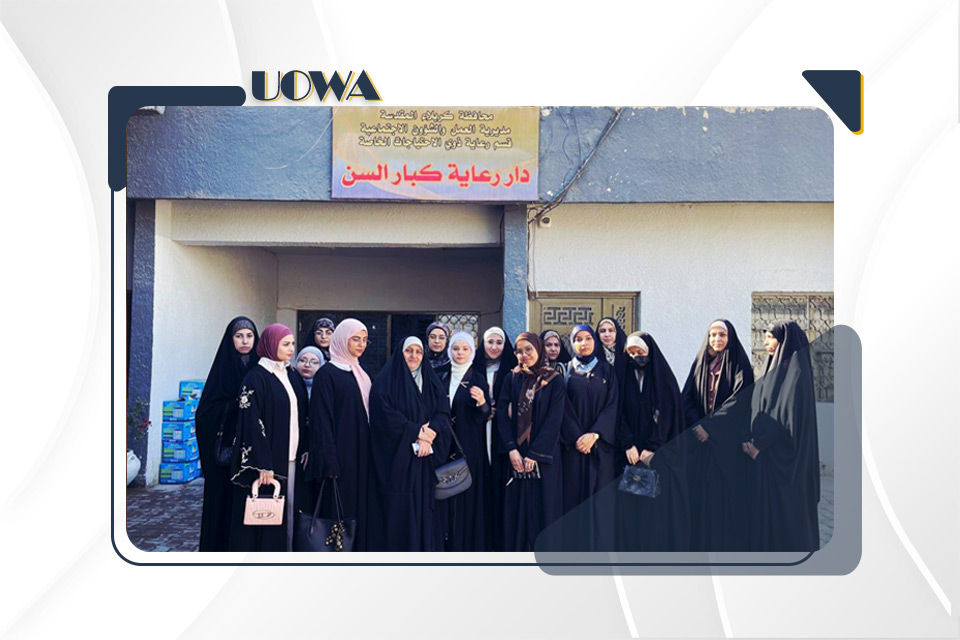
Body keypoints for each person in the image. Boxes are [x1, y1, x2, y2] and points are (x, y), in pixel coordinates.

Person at [228, 323, 308, 552]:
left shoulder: (292, 375)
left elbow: (304, 415)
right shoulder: (256, 378)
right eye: (285, 344)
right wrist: (262, 463)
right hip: (269, 463)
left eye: (292, 344)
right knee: (266, 516)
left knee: (289, 512)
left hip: (292, 457)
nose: (291, 349)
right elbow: (250, 422)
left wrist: (306, 448)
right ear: (271, 344)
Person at [367, 337, 452, 551]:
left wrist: (431, 432)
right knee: (400, 510)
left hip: (426, 460)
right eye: (409, 351)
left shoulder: (431, 381)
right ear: (400, 353)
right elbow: (384, 416)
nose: (414, 356)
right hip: (399, 462)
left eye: (418, 351)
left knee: (427, 510)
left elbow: (443, 411)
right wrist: (416, 432)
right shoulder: (385, 382)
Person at [743, 320, 820, 552]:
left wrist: (759, 443)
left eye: (770, 337)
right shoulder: (776, 368)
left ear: (784, 341)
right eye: (765, 337)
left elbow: (785, 413)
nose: (766, 342)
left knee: (787, 512)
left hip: (784, 458)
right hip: (768, 454)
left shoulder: (795, 373)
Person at [680, 319, 755, 551]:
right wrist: (697, 426)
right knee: (699, 494)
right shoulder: (701, 363)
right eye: (712, 335)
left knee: (721, 496)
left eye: (722, 335)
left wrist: (710, 428)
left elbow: (739, 401)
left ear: (729, 337)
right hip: (699, 444)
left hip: (726, 444)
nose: (716, 339)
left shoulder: (740, 365)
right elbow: (687, 398)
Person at [615, 331, 690, 552]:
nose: (635, 356)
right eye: (630, 352)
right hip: (631, 453)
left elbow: (665, 412)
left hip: (659, 452)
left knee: (657, 509)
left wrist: (653, 446)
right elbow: (618, 412)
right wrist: (628, 444)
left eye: (639, 351)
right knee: (633, 507)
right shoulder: (624, 377)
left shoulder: (663, 378)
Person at [306, 318, 372, 551]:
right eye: (356, 339)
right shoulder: (327, 374)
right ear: (343, 340)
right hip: (338, 457)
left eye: (364, 340)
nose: (361, 344)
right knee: (337, 509)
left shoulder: (360, 372)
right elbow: (321, 420)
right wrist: (329, 459)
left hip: (360, 454)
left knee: (358, 509)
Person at [497, 332, 566, 552]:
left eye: (529, 350)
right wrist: (511, 449)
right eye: (519, 351)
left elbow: (554, 419)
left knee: (543, 508)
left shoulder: (553, 380)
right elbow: (502, 415)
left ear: (539, 350)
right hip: (516, 455)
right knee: (516, 510)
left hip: (543, 457)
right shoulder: (511, 379)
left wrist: (535, 454)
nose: (524, 355)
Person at [195, 316, 259, 552]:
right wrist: (234, 406)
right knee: (221, 504)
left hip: (251, 453)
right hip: (224, 456)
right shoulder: (222, 369)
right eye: (239, 336)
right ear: (230, 339)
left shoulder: (260, 368)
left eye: (249, 336)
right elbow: (205, 414)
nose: (245, 341)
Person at [560, 324, 618, 551]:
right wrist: (578, 437)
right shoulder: (565, 371)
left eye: (588, 338)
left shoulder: (607, 371)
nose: (583, 343)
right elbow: (562, 408)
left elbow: (613, 405)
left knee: (601, 503)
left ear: (595, 341)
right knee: (573, 502)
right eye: (578, 339)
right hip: (574, 448)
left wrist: (595, 434)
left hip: (601, 447)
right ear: (572, 343)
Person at [441, 331, 491, 551]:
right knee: (443, 495)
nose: (460, 353)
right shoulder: (440, 375)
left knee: (467, 497)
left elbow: (485, 415)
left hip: (469, 447)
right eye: (455, 348)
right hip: (443, 447)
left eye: (465, 349)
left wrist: (482, 402)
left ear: (472, 351)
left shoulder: (477, 378)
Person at [474, 327, 518, 551]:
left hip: (503, 434)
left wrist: (500, 410)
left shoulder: (514, 370)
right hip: (478, 432)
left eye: (499, 342)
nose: (494, 347)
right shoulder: (473, 368)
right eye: (489, 342)